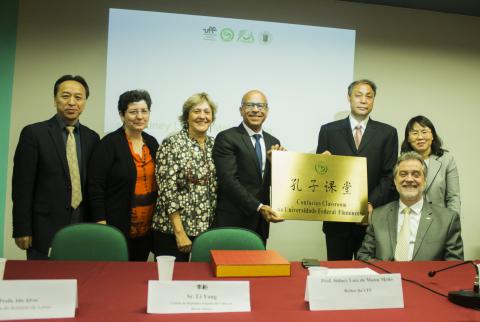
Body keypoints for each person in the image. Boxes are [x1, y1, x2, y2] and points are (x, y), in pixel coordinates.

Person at [12, 75, 100, 259]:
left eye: (78, 97)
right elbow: (22, 186)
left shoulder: (92, 137)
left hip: (82, 224)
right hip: (44, 228)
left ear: (84, 102)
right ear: (55, 99)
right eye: (65, 96)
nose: (71, 102)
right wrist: (21, 228)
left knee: (81, 281)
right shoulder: (34, 134)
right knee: (42, 283)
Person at [316, 79, 398, 260]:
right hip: (336, 220)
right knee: (337, 273)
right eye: (358, 95)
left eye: (369, 96)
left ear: (374, 101)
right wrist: (321, 166)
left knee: (368, 274)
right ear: (349, 98)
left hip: (371, 217)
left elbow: (389, 176)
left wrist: (370, 203)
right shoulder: (328, 131)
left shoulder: (387, 133)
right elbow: (319, 174)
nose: (363, 100)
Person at [88, 90, 158, 261]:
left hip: (147, 228)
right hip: (116, 227)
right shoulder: (108, 144)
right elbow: (95, 186)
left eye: (144, 111)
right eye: (133, 112)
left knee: (138, 276)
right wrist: (100, 222)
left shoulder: (152, 142)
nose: (139, 116)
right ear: (122, 114)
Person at [357, 151, 463, 261]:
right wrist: (389, 273)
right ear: (395, 180)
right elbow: (363, 256)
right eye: (403, 174)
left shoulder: (447, 220)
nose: (409, 179)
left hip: (425, 278)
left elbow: (454, 267)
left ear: (425, 180)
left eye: (416, 174)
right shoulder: (377, 216)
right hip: (387, 277)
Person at [213, 90, 285, 245]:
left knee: (257, 268)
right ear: (241, 110)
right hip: (233, 220)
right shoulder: (227, 137)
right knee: (230, 268)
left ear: (267, 111)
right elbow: (228, 180)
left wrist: (277, 165)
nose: (255, 110)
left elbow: (274, 183)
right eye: (250, 105)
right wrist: (259, 207)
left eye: (261, 106)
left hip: (260, 223)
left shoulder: (273, 141)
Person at [152, 93, 217, 262]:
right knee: (171, 283)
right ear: (186, 116)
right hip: (172, 232)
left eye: (207, 112)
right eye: (196, 111)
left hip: (206, 232)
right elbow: (167, 191)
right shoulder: (172, 143)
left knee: (203, 281)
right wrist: (179, 233)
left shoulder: (216, 145)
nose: (202, 116)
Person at [400, 115, 460, 214]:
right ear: (408, 139)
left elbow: (453, 197)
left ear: (432, 136)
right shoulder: (402, 162)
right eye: (415, 133)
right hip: (411, 218)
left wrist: (452, 223)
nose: (420, 137)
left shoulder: (447, 159)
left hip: (440, 219)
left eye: (424, 132)